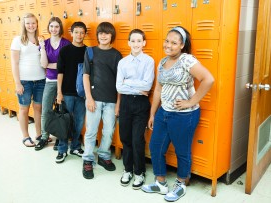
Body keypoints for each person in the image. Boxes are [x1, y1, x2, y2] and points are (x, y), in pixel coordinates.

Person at [141, 26, 214, 202]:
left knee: (182, 151)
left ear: (182, 45)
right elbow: (158, 89)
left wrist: (191, 101)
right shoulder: (163, 61)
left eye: (174, 42)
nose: (169, 45)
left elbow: (208, 79)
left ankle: (181, 183)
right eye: (167, 41)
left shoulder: (187, 60)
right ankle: (160, 182)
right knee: (156, 147)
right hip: (163, 112)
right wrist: (152, 114)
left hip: (184, 115)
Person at [82, 22, 122, 179]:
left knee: (108, 131)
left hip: (111, 101)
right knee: (91, 132)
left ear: (112, 36)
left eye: (107, 33)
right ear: (97, 35)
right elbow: (85, 75)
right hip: (94, 99)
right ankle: (87, 160)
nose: (103, 36)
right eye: (101, 33)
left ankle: (104, 156)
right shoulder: (90, 52)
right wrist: (89, 98)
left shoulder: (117, 55)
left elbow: (120, 82)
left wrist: (118, 103)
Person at [116, 29, 154, 189]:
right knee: (125, 137)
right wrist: (137, 85)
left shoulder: (149, 61)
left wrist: (128, 82)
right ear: (128, 43)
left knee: (137, 139)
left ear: (144, 43)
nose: (136, 44)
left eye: (139, 41)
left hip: (141, 104)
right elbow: (119, 87)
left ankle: (139, 172)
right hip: (125, 103)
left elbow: (148, 85)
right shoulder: (122, 62)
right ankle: (127, 170)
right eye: (133, 41)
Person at [34, 17, 71, 151]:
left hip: (64, 82)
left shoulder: (66, 43)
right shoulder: (45, 43)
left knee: (62, 111)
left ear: (60, 28)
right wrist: (43, 47)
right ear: (48, 28)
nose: (54, 29)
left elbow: (66, 65)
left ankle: (60, 137)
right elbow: (43, 64)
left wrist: (51, 65)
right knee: (46, 110)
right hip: (50, 81)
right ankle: (44, 137)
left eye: (56, 26)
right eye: (51, 26)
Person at [54, 21, 87, 163]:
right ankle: (62, 149)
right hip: (67, 93)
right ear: (71, 33)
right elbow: (60, 73)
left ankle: (75, 146)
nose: (79, 35)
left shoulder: (88, 51)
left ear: (85, 34)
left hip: (81, 94)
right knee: (64, 123)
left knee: (79, 122)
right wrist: (59, 92)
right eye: (76, 32)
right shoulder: (65, 51)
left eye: (82, 32)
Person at [11, 13, 46, 147]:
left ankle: (39, 134)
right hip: (24, 81)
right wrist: (17, 83)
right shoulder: (18, 40)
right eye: (28, 23)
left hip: (41, 80)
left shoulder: (40, 39)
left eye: (33, 23)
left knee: (38, 108)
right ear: (24, 25)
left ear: (37, 24)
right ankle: (26, 137)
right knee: (24, 109)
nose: (31, 26)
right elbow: (14, 63)